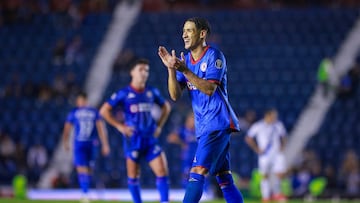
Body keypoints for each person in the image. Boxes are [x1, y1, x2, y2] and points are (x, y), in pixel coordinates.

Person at [158, 17, 244, 203]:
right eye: (183, 31)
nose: (184, 34)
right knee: (224, 178)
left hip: (217, 122)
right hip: (203, 124)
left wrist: (186, 71)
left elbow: (209, 89)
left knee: (197, 172)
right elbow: (174, 95)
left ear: (202, 33)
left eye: (189, 30)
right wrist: (172, 70)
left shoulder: (215, 56)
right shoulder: (186, 60)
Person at [100, 58, 171, 203]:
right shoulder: (124, 93)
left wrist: (159, 126)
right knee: (133, 176)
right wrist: (120, 126)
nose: (144, 73)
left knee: (162, 171)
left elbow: (166, 107)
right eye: (141, 70)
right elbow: (104, 111)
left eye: (146, 70)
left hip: (150, 138)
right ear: (132, 72)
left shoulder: (152, 92)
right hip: (133, 139)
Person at [62, 92, 110, 203]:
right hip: (92, 144)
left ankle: (85, 193)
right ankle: (86, 192)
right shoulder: (94, 112)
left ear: (80, 101)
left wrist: (65, 141)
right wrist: (105, 144)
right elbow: (101, 129)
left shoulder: (74, 112)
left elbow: (67, 128)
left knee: (82, 169)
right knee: (87, 169)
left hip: (80, 143)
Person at [245, 108, 288, 202]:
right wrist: (256, 149)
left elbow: (284, 136)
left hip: (277, 154)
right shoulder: (258, 125)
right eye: (273, 116)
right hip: (265, 154)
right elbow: (248, 138)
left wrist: (283, 146)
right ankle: (266, 196)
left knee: (280, 173)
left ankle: (277, 193)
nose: (275, 117)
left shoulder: (278, 125)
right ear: (267, 116)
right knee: (265, 175)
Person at [167, 111, 197, 188]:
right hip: (186, 157)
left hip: (197, 156)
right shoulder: (183, 129)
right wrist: (182, 143)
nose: (192, 122)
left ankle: (204, 193)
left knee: (199, 174)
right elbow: (170, 138)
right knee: (186, 175)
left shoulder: (198, 130)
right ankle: (185, 191)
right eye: (191, 120)